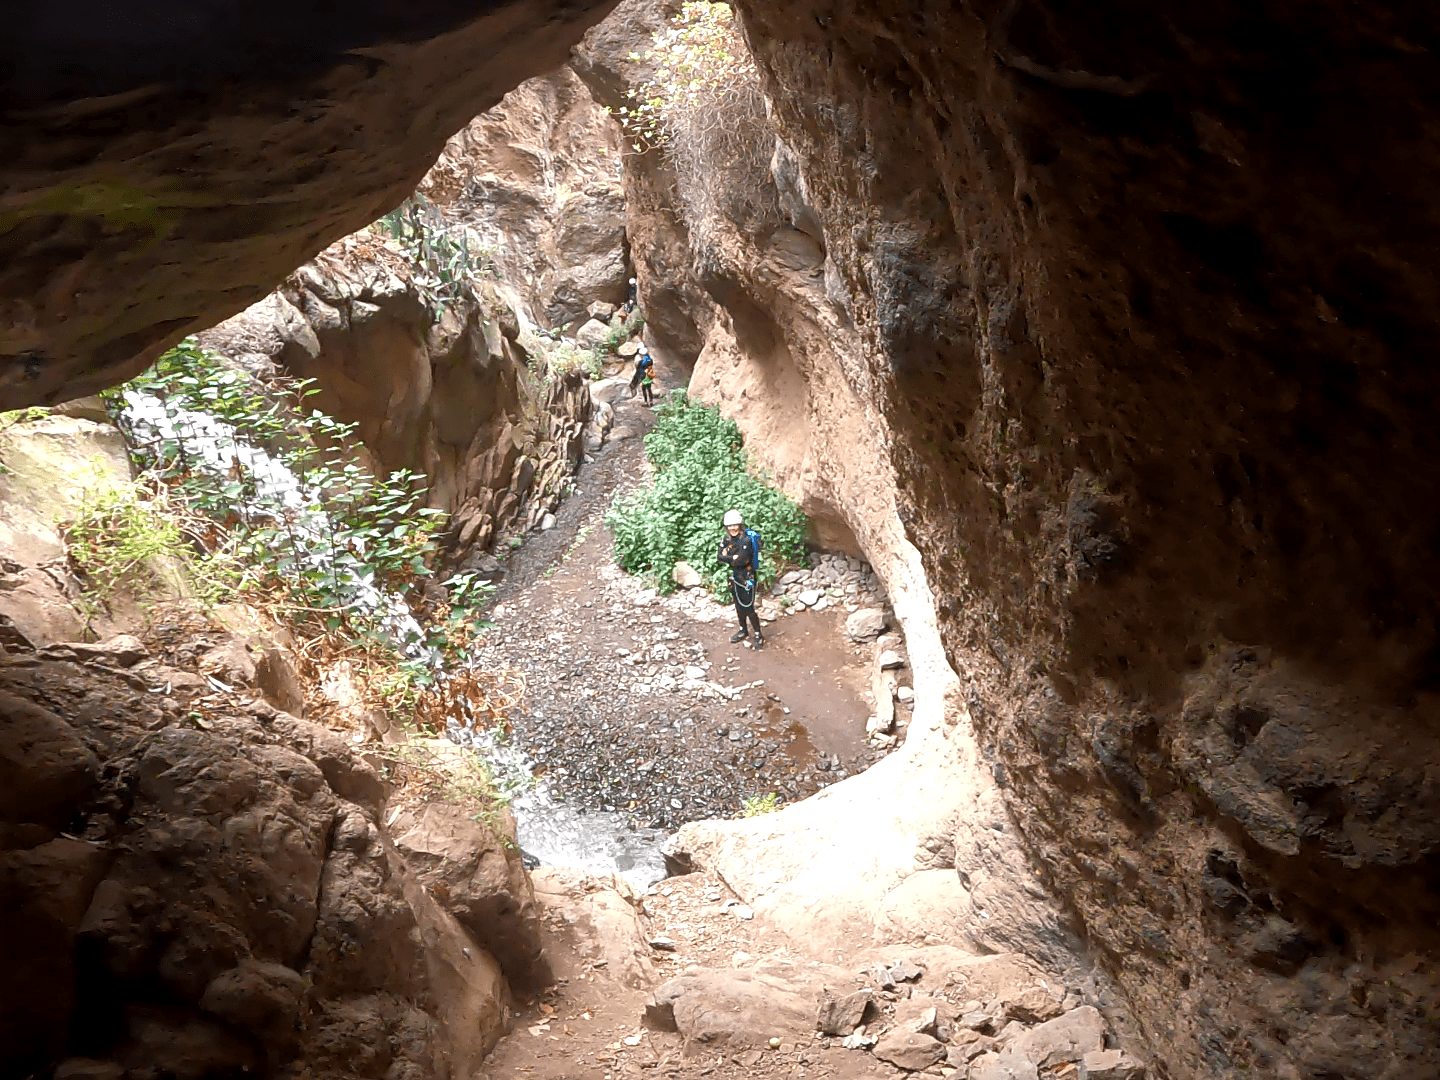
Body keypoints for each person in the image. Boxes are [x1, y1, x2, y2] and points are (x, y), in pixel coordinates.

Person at [717, 509, 763, 649]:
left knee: (748, 606)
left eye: (735, 525)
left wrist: (728, 556)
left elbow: (741, 560)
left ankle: (758, 634)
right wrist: (733, 557)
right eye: (729, 526)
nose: (732, 528)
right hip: (735, 576)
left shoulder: (746, 540)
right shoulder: (726, 540)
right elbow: (720, 557)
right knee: (738, 605)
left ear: (740, 525)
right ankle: (743, 629)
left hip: (748, 576)